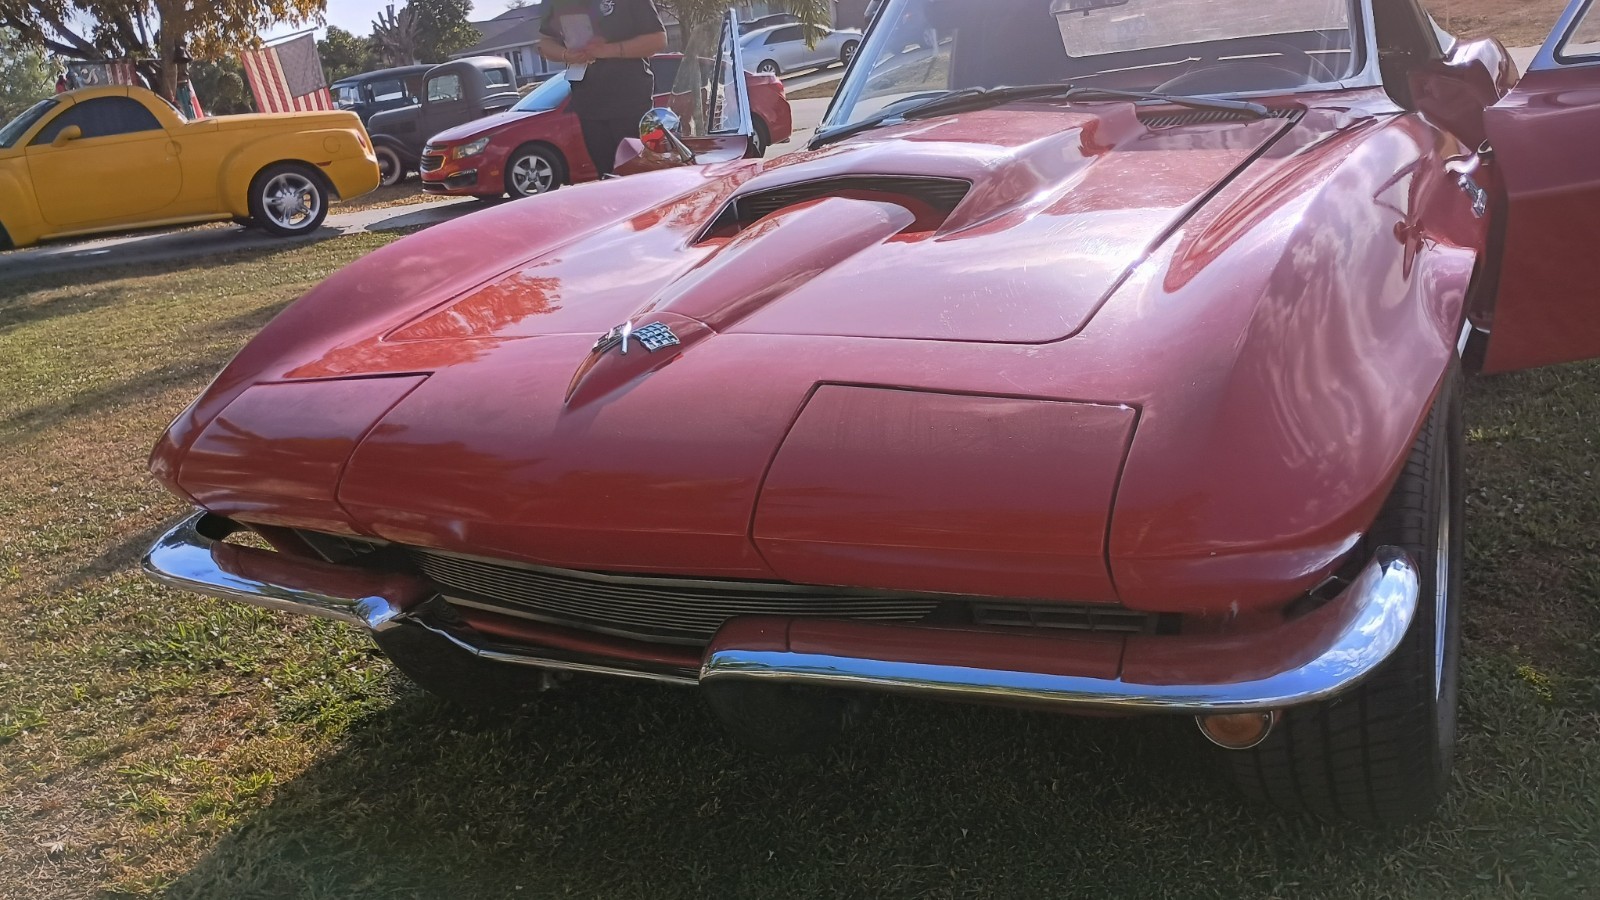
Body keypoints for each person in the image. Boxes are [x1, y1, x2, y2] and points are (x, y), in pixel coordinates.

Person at [538, 0, 668, 178]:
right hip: (588, 104)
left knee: (638, 174)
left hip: (630, 101)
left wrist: (609, 50)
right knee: (606, 176)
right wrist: (566, 55)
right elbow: (545, 42)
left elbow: (658, 40)